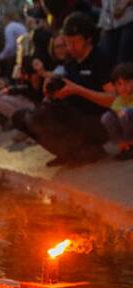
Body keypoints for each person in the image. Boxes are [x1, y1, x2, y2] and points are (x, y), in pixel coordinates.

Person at [25, 12, 117, 165]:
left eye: (75, 42)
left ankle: (90, 150)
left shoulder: (100, 59)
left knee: (53, 117)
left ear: (88, 39)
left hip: (99, 120)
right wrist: (52, 93)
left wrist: (78, 90)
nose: (71, 47)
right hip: (75, 114)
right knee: (28, 117)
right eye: (68, 42)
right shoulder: (71, 63)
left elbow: (114, 100)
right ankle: (67, 152)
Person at [102, 62, 133, 158]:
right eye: (119, 84)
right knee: (106, 117)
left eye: (127, 82)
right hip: (125, 130)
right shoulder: (119, 100)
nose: (123, 87)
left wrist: (124, 112)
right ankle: (123, 145)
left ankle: (130, 143)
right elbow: (114, 112)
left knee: (125, 113)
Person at [99, 0, 133, 64]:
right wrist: (102, 24)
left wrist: (123, 4)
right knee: (106, 59)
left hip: (128, 21)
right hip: (108, 24)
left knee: (123, 60)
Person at [0, 9, 29, 78]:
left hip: (17, 58)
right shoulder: (20, 25)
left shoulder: (9, 27)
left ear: (6, 18)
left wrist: (1, 56)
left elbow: (10, 46)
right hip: (26, 56)